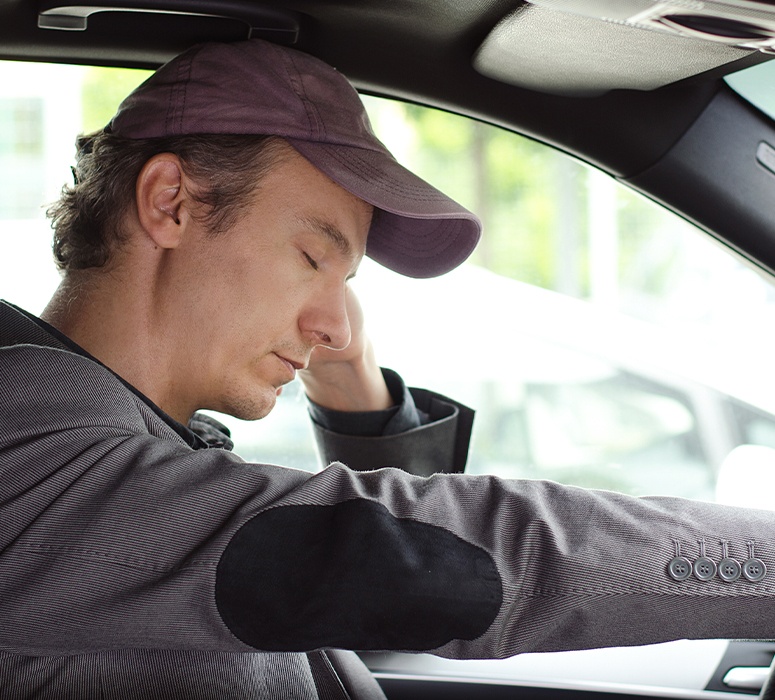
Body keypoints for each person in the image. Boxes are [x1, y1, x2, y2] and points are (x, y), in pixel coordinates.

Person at [0, 39, 774, 700]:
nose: (336, 323)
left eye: (348, 282)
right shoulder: (28, 455)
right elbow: (394, 559)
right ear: (170, 202)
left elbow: (348, 605)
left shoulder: (138, 444)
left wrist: (352, 390)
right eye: (311, 255)